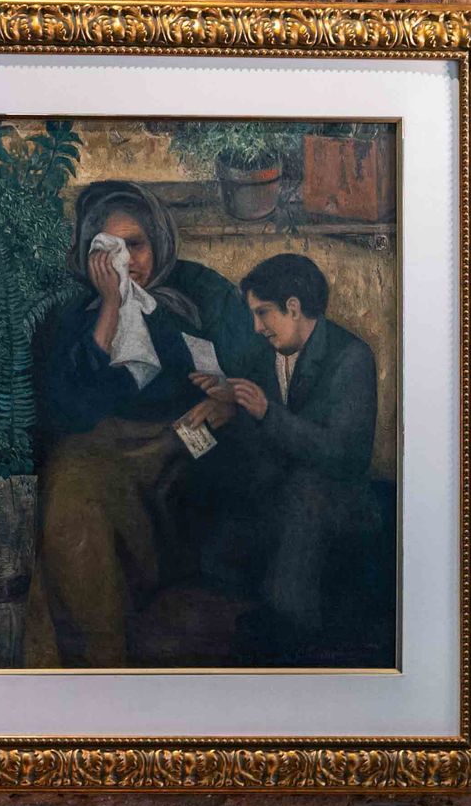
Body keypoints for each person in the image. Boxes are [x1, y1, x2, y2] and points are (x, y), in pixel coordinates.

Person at [24, 180, 269, 668]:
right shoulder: (75, 316)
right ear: (88, 255)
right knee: (74, 480)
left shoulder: (201, 297)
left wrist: (228, 402)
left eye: (134, 245)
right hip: (105, 459)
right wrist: (112, 308)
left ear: (156, 241)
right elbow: (70, 411)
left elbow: (255, 379)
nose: (126, 261)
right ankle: (100, 658)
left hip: (188, 455)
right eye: (108, 249)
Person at [199, 253, 382, 661]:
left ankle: (292, 630)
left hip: (339, 500)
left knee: (304, 493)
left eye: (263, 313)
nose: (257, 328)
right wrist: (228, 404)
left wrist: (267, 413)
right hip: (281, 491)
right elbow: (259, 440)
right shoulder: (265, 356)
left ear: (294, 307)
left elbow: (344, 456)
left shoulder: (351, 357)